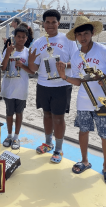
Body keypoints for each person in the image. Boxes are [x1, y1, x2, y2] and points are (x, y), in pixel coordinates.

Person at [57, 16, 106, 184]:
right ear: (76, 37)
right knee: (83, 131)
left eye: (86, 33)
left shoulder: (104, 51)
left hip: (105, 100)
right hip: (84, 101)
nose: (83, 37)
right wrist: (64, 77)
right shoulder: (77, 56)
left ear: (92, 33)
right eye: (79, 34)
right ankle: (85, 160)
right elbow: (80, 81)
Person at [28, 9, 78, 163]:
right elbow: (34, 69)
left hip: (62, 85)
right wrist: (30, 59)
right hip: (43, 84)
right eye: (47, 22)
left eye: (53, 22)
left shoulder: (68, 40)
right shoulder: (38, 42)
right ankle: (48, 143)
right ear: (43, 24)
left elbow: (76, 62)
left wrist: (65, 65)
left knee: (59, 118)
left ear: (58, 23)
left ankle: (58, 148)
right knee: (47, 115)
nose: (50, 25)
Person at [1, 27, 34, 150]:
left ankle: (16, 136)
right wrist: (8, 53)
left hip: (21, 88)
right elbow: (3, 68)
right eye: (18, 36)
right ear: (14, 37)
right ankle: (9, 135)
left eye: (23, 37)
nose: (20, 39)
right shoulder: (8, 50)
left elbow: (31, 71)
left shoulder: (28, 52)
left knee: (19, 113)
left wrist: (22, 65)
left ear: (26, 38)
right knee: (9, 112)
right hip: (8, 87)